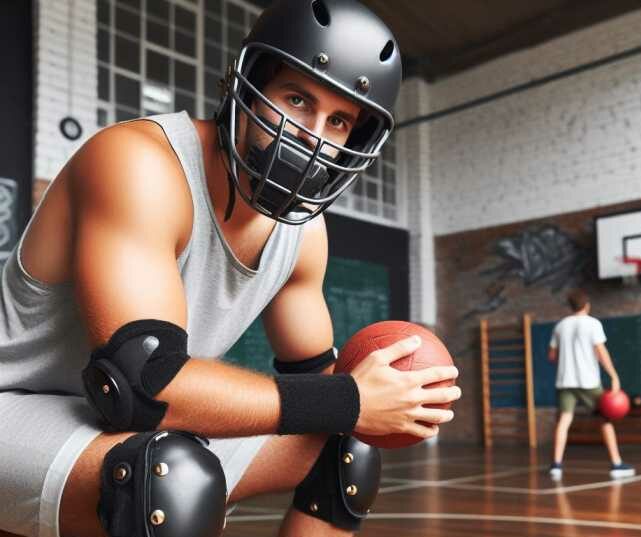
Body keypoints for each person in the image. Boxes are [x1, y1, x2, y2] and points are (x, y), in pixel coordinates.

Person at [0, 2, 462, 537]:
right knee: (167, 480)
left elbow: (317, 385)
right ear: (245, 88)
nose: (313, 135)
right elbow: (143, 382)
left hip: (112, 426)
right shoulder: (139, 162)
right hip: (15, 407)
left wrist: (405, 396)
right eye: (296, 99)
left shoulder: (304, 234)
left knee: (344, 448)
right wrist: (353, 398)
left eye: (338, 121)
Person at [548, 289, 634, 480]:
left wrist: (567, 357)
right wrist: (614, 375)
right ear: (587, 305)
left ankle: (556, 465)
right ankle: (616, 464)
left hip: (565, 381)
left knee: (564, 420)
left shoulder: (560, 326)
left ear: (570, 306)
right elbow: (601, 351)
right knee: (605, 419)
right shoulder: (593, 324)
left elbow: (551, 356)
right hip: (588, 381)